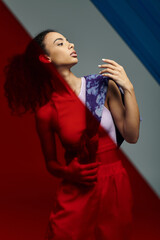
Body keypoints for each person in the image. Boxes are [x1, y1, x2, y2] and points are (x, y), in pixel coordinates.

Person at [4, 29, 140, 240]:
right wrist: (70, 173)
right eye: (60, 43)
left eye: (68, 41)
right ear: (45, 57)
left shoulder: (102, 85)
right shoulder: (46, 112)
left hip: (114, 183)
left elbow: (131, 136)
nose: (70, 44)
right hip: (78, 186)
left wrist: (128, 88)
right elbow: (51, 163)